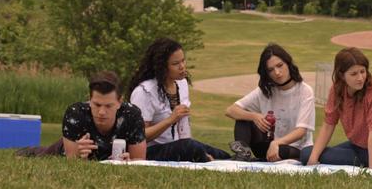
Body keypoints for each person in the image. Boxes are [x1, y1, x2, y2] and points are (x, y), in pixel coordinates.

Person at [127, 38, 231, 162]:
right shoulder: (145, 92)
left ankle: (246, 161)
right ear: (162, 67)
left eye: (183, 61)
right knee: (191, 147)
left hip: (179, 145)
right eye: (175, 64)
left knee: (219, 153)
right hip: (150, 151)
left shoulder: (181, 84)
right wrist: (170, 120)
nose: (182, 67)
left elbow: (184, 130)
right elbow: (139, 136)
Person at [15, 71, 147, 161]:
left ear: (119, 102)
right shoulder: (76, 113)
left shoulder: (132, 115)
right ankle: (29, 151)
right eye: (96, 104)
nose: (101, 112)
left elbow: (139, 161)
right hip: (62, 148)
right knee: (45, 154)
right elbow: (71, 160)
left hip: (107, 153)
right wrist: (77, 154)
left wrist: (129, 163)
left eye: (108, 106)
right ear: (89, 99)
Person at [300, 47, 372, 169]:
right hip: (354, 145)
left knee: (306, 154)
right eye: (353, 74)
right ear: (342, 75)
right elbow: (328, 124)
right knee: (309, 154)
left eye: (363, 71)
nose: (360, 78)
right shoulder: (337, 90)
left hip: (370, 151)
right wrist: (313, 159)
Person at [224, 43, 315, 162]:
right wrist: (254, 116)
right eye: (271, 70)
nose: (277, 73)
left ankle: (265, 159)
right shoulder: (265, 90)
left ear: (288, 63)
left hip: (294, 148)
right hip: (268, 146)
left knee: (282, 150)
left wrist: (277, 143)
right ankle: (242, 155)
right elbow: (230, 110)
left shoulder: (305, 91)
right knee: (243, 117)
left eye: (280, 65)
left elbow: (301, 131)